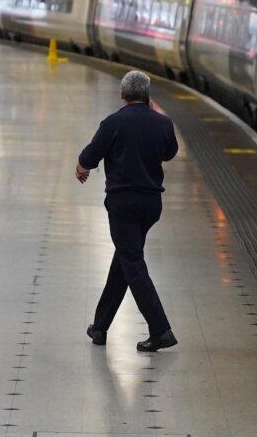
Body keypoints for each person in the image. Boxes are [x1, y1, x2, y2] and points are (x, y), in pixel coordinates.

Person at [76, 70, 179, 352]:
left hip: (123, 205)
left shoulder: (113, 123)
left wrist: (82, 168)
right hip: (150, 205)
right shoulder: (163, 124)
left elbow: (89, 156)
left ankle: (161, 329)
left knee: (132, 264)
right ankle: (99, 327)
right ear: (147, 96)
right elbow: (169, 153)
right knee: (124, 261)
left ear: (122, 95)